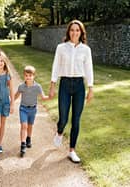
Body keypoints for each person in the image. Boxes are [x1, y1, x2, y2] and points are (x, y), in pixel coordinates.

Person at [49, 20, 94, 163]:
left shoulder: (86, 50)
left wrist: (90, 87)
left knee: (76, 119)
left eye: (77, 30)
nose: (75, 33)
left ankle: (72, 150)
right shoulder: (61, 48)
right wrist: (52, 84)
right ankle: (59, 131)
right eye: (72, 30)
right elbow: (56, 66)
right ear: (68, 32)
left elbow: (89, 69)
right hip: (65, 85)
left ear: (81, 33)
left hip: (79, 86)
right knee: (63, 118)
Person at [14, 65, 49, 157]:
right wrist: (10, 103)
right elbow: (16, 96)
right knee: (24, 126)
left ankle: (28, 138)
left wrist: (50, 96)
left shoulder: (38, 87)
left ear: (34, 76)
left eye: (30, 76)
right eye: (26, 75)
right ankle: (23, 144)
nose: (28, 77)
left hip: (33, 109)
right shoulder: (21, 86)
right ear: (24, 76)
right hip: (23, 109)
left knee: (30, 125)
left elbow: (43, 97)